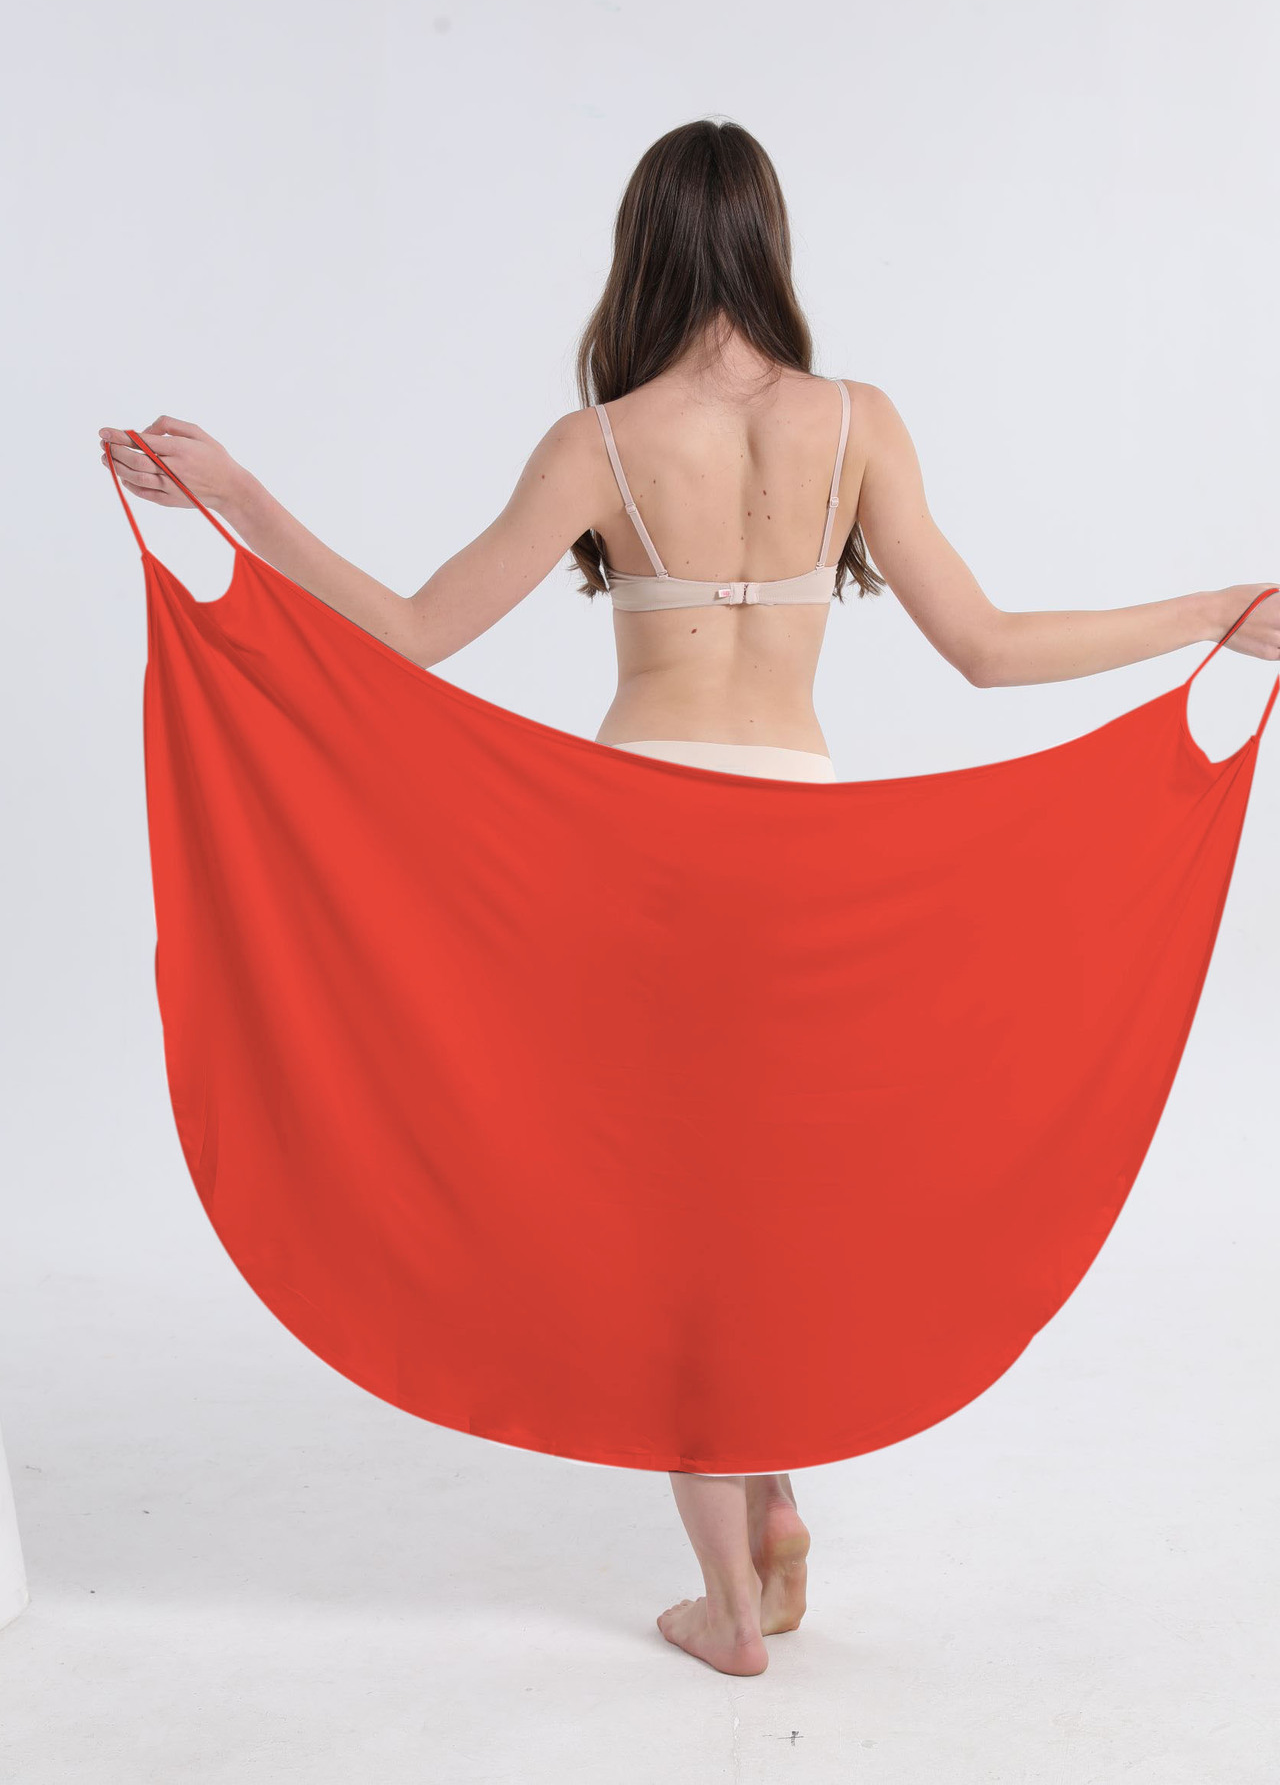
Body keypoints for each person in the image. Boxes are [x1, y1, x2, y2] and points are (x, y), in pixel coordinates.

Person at [98, 117, 1279, 1679]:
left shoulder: (601, 441)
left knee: (663, 1214)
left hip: (636, 853)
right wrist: (1214, 611)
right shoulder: (858, 425)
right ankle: (770, 1493)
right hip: (801, 852)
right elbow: (989, 652)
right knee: (766, 1193)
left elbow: (411, 633)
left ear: (643, 248)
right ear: (768, 243)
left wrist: (238, 500)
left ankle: (728, 1601)